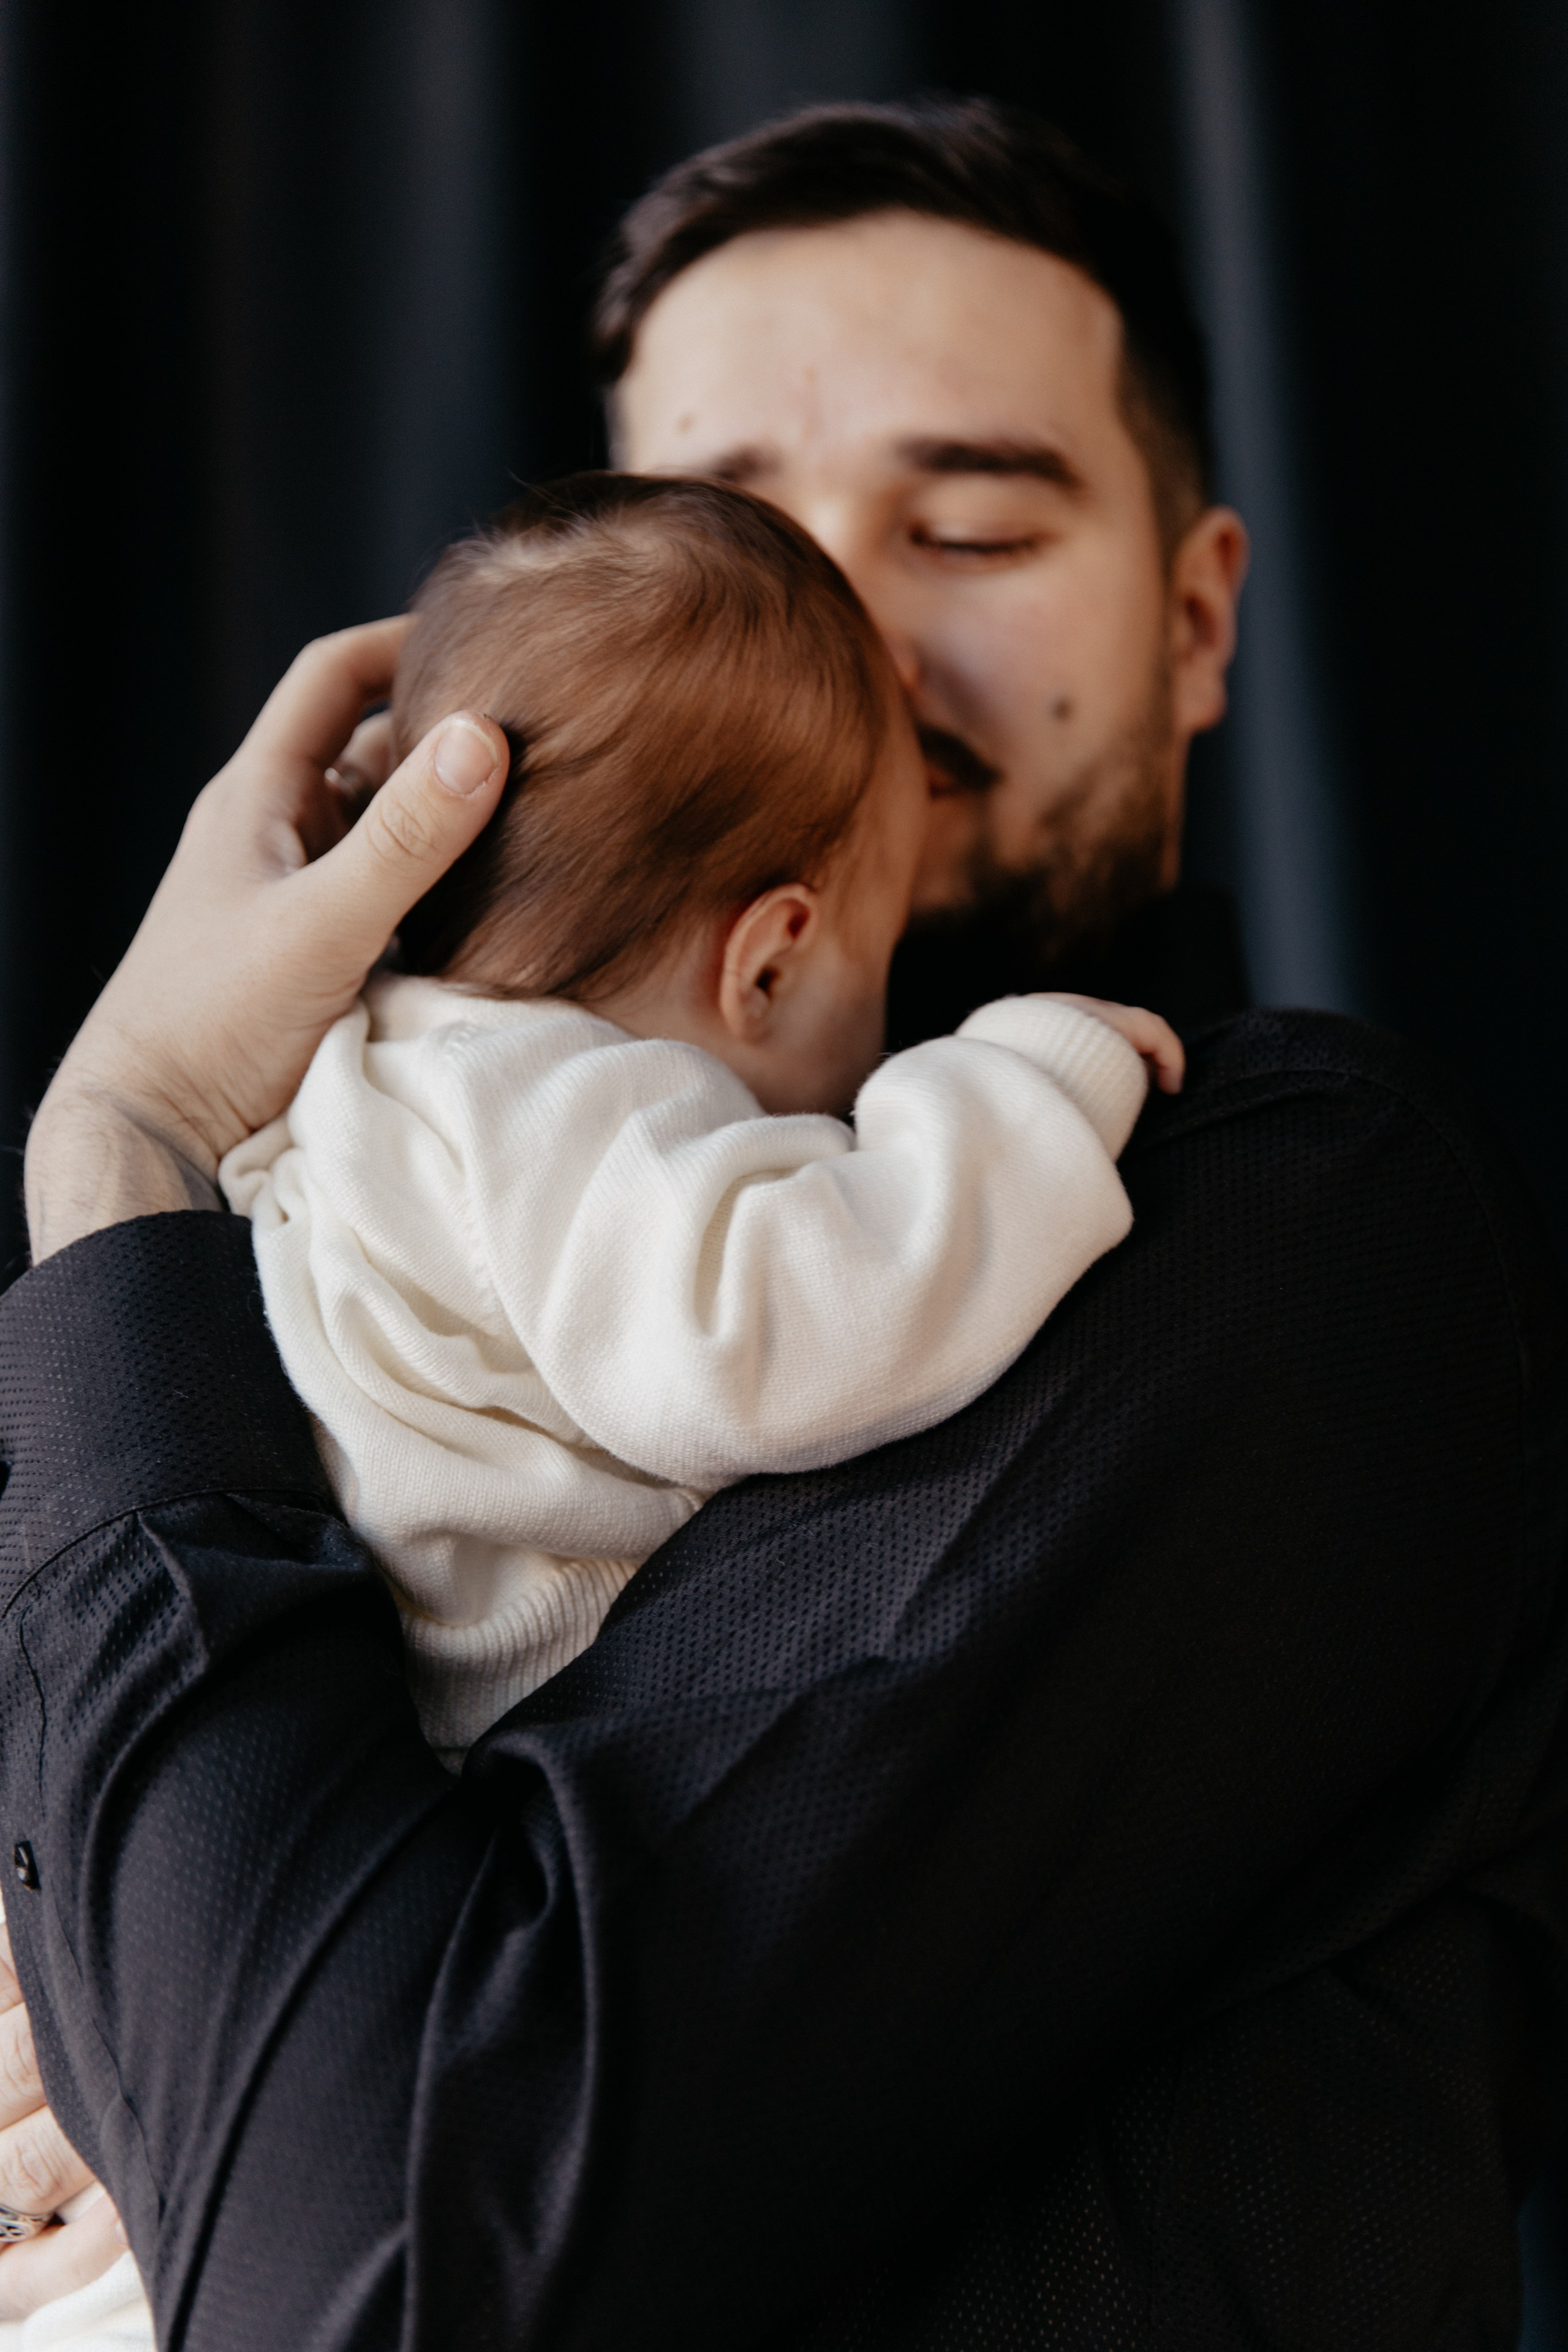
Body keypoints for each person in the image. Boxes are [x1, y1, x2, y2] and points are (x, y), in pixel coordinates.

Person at [0, 96, 1564, 2351]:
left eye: (972, 525)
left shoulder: (1305, 1224)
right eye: (718, 537)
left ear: (1202, 614)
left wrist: (119, 1147)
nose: (829, 617)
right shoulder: (403, 1196)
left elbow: (379, 2247)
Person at [223, 473, 1178, 1766]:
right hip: (476, 1760)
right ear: (768, 962)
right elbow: (772, 1336)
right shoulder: (558, 1107)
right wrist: (1021, 1087)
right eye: (879, 949)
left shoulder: (362, 1058)